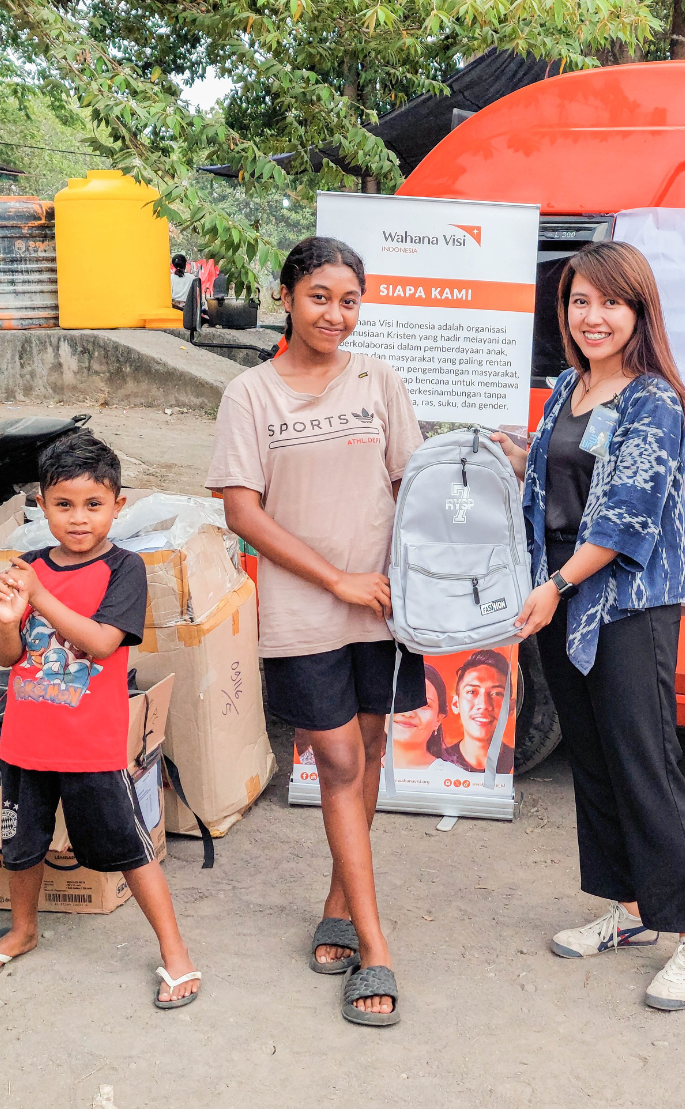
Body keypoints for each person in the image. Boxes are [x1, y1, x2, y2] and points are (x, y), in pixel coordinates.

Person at [492, 240, 685, 1013]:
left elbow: (628, 514)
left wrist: (555, 585)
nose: (592, 317)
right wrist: (521, 456)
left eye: (609, 303)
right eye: (579, 301)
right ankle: (626, 911)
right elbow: (567, 477)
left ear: (638, 311)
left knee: (644, 760)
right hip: (556, 593)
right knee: (591, 755)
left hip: (621, 604)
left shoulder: (653, 399)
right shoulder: (568, 387)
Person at [206, 236, 422, 1027]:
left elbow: (410, 481)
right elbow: (243, 511)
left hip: (384, 601)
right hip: (305, 605)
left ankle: (337, 901)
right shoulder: (251, 394)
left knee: (366, 752)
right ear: (288, 299)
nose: (336, 313)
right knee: (334, 758)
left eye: (350, 299)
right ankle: (376, 944)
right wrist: (336, 579)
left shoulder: (379, 381)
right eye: (320, 296)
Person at [0, 433, 200, 1010]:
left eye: (94, 504)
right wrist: (12, 618)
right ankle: (22, 930)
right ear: (40, 504)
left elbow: (98, 643)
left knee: (129, 848)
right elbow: (6, 657)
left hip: (90, 746)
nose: (78, 518)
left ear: (118, 506)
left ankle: (176, 954)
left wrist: (36, 595)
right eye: (63, 504)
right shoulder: (28, 568)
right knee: (21, 845)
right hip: (24, 740)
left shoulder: (125, 570)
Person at [437, 649, 515, 776]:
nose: (484, 705)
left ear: (511, 707)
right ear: (456, 704)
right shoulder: (437, 762)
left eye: (496, 693)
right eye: (472, 692)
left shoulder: (515, 762)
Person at [390, 664, 448, 769]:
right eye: (398, 699)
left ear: (438, 720)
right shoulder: (360, 770)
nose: (408, 713)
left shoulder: (454, 777)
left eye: (424, 704)